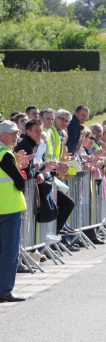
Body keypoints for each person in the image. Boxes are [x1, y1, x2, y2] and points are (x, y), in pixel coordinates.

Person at [0, 121, 28, 302]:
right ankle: (5, 291)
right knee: (10, 252)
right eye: (12, 133)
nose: (16, 136)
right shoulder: (5, 154)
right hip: (9, 209)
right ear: (2, 135)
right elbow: (20, 181)